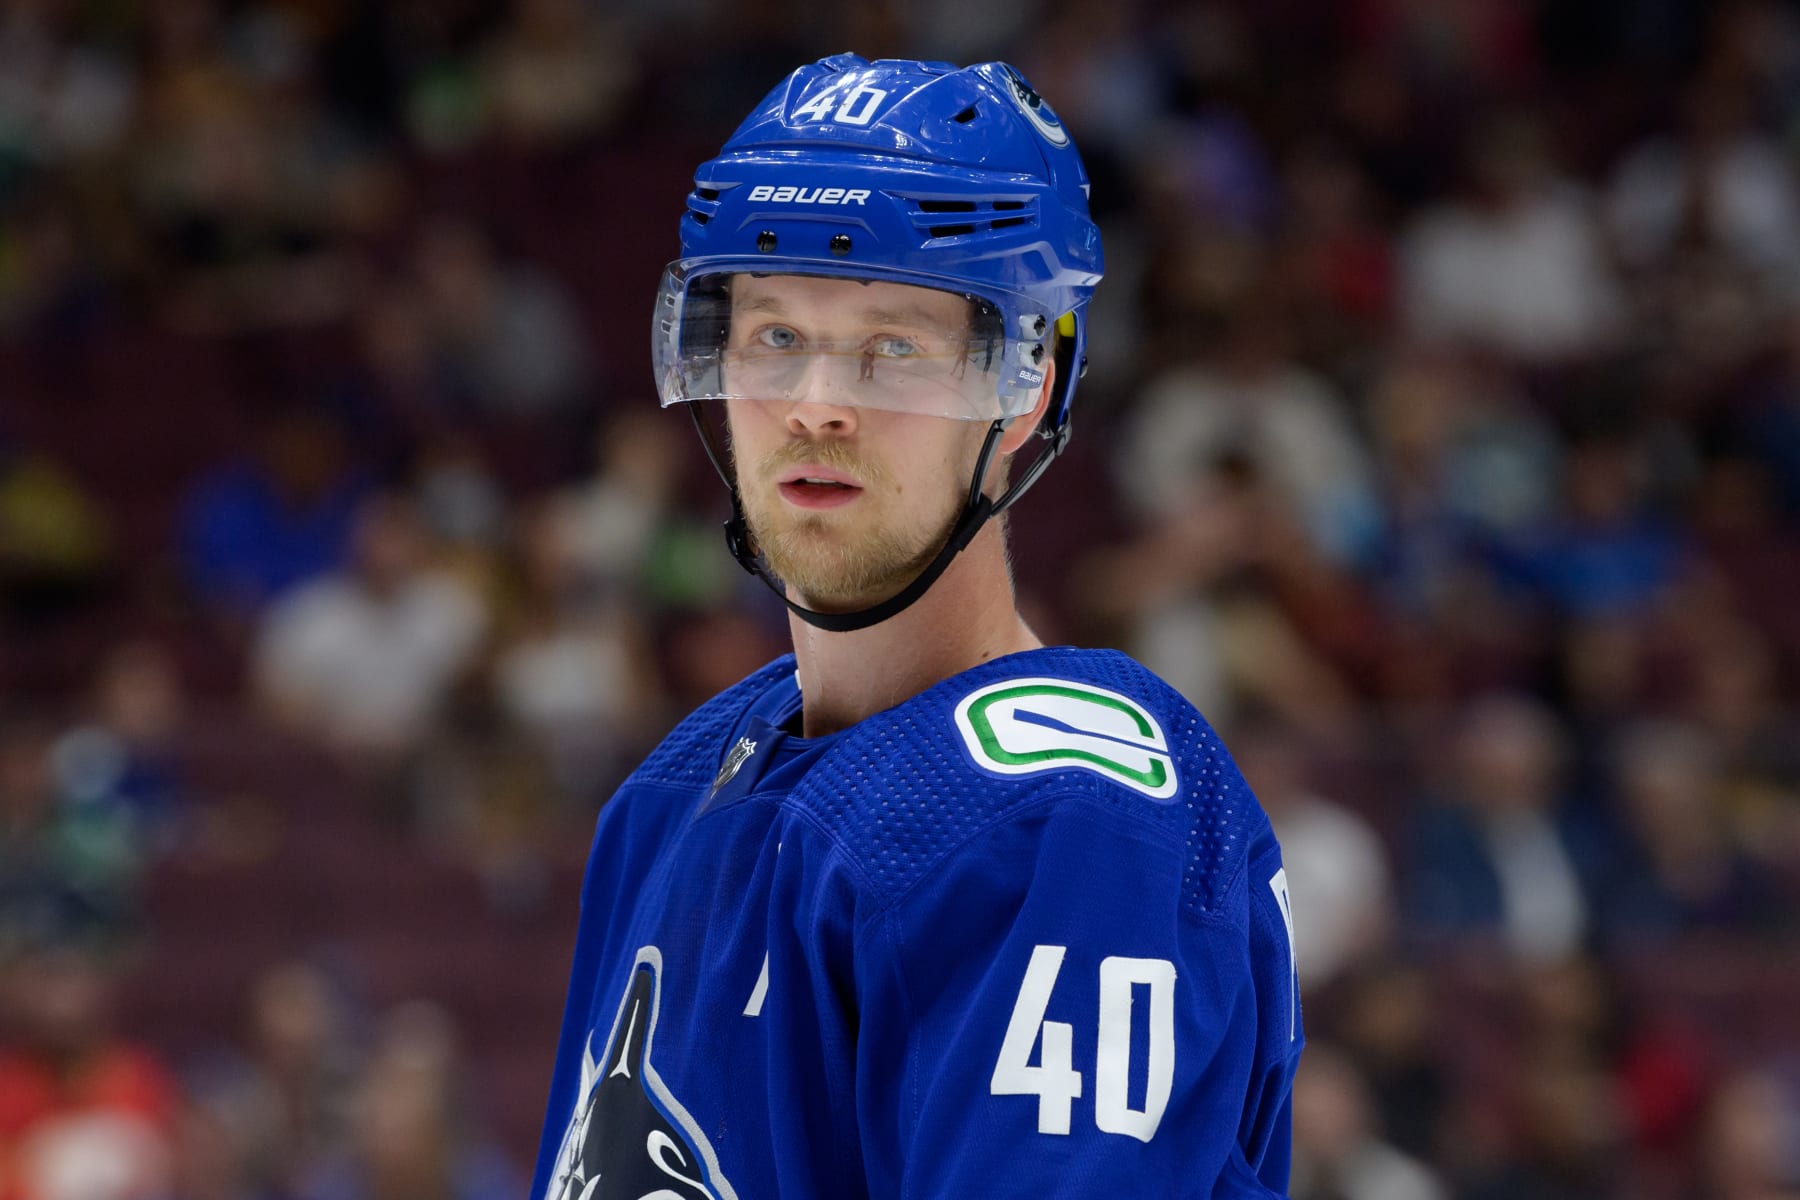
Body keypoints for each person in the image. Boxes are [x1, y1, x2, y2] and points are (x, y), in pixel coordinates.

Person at [531, 55, 1301, 1200]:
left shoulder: (1069, 810)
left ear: (1023, 384)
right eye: (774, 337)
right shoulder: (666, 796)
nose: (816, 405)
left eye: (893, 348)